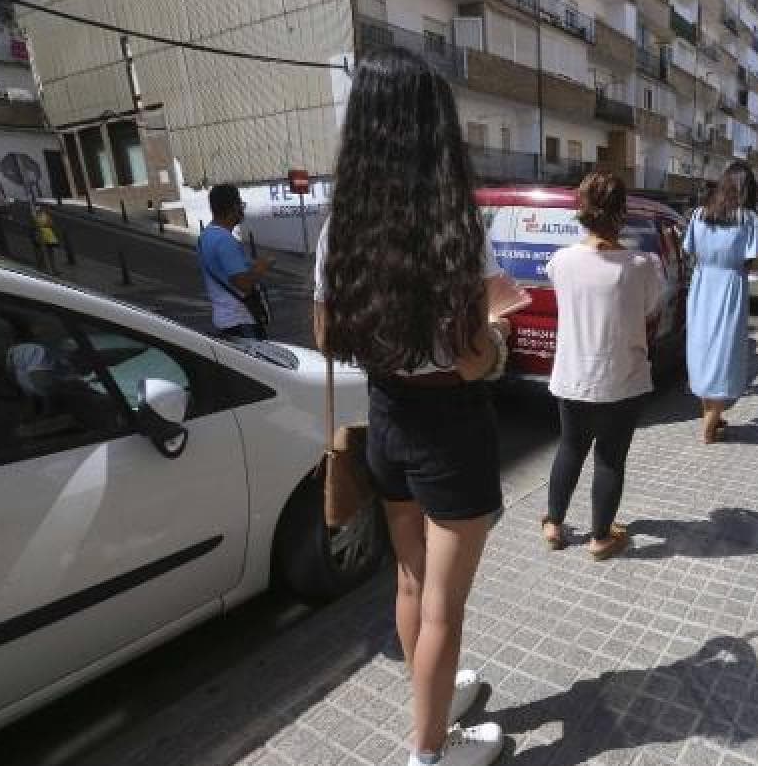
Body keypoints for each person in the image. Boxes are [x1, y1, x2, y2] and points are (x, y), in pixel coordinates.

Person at [314, 47, 510, 766]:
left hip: (385, 419)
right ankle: (429, 753)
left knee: (409, 580)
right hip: (448, 430)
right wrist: (497, 336)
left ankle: (433, 701)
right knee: (443, 609)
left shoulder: (343, 226)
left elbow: (326, 334)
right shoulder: (455, 227)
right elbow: (472, 358)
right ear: (435, 129)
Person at [540, 169, 664, 560]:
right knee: (610, 458)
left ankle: (555, 524)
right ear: (621, 212)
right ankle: (599, 537)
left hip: (573, 377)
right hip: (622, 379)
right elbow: (649, 309)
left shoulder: (561, 261)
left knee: (570, 448)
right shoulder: (642, 265)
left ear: (582, 209)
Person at [683, 161, 758, 444]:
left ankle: (712, 415)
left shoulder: (699, 214)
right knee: (725, 351)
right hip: (730, 287)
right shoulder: (749, 219)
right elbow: (752, 262)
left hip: (702, 285)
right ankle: (709, 422)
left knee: (702, 349)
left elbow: (689, 250)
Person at [197, 184, 274, 339]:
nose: (242, 209)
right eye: (240, 204)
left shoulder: (205, 237)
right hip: (241, 321)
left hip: (224, 320)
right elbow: (243, 284)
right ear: (232, 208)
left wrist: (247, 265)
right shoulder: (225, 240)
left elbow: (223, 270)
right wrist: (262, 267)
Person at [33, 205, 61, 273]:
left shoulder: (43, 216)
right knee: (47, 254)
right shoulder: (36, 217)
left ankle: (54, 269)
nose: (40, 211)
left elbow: (51, 224)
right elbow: (38, 226)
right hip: (43, 237)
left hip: (49, 236)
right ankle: (51, 270)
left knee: (51, 254)